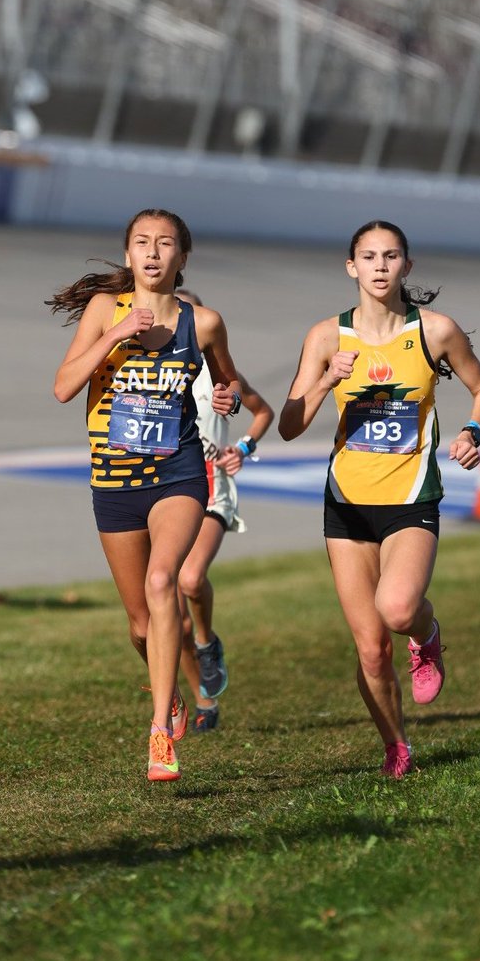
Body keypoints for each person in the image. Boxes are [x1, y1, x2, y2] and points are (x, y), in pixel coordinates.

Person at [278, 220, 480, 778]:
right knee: (371, 650)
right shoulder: (327, 336)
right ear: (351, 267)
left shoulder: (436, 331)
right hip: (346, 505)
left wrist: (472, 432)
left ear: (407, 266)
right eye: (369, 257)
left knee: (397, 609)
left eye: (391, 256)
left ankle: (427, 634)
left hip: (410, 499)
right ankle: (396, 746)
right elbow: (288, 425)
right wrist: (326, 378)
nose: (379, 266)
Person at [49, 210, 242, 782]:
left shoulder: (201, 322)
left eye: (165, 245)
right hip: (113, 481)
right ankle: (176, 697)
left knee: (165, 583)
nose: (153, 253)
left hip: (177, 474)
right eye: (142, 243)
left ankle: (160, 731)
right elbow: (62, 388)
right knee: (140, 623)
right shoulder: (103, 311)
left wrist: (226, 398)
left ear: (183, 257)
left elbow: (228, 380)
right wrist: (113, 335)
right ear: (128, 255)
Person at [175, 288, 274, 732]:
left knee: (191, 578)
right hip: (167, 491)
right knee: (168, 616)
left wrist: (244, 447)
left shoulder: (219, 375)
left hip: (214, 489)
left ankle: (207, 641)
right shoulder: (151, 369)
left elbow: (262, 411)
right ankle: (203, 701)